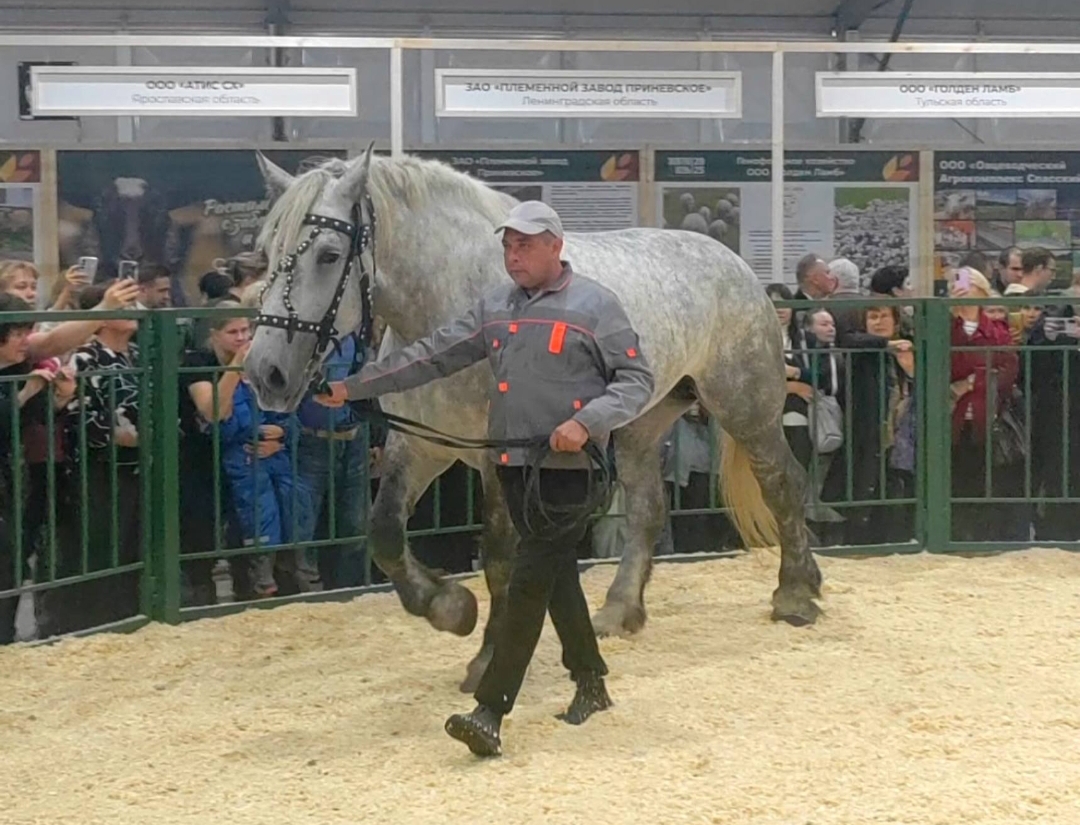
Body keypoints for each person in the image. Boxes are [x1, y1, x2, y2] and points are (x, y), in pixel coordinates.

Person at [316, 201, 655, 757]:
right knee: (556, 578)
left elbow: (637, 379)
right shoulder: (495, 306)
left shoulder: (596, 305)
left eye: (525, 246)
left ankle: (490, 711)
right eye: (507, 246)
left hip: (570, 471)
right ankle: (591, 682)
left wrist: (586, 422)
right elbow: (431, 356)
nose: (513, 256)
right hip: (512, 466)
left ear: (555, 246)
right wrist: (354, 387)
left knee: (526, 581)